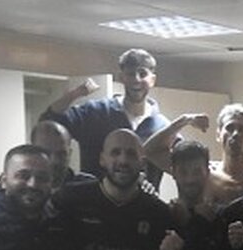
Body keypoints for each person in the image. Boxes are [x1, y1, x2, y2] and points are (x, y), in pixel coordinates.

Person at [41, 49, 170, 187]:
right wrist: (75, 94)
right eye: (130, 74)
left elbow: (179, 166)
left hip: (143, 200)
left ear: (152, 80)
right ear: (121, 77)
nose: (136, 79)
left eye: (142, 74)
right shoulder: (95, 112)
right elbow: (49, 122)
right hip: (93, 198)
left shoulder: (162, 127)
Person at [31, 120, 96, 189]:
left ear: (69, 154)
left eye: (61, 154)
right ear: (31, 152)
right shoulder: (24, 189)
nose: (55, 161)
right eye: (46, 153)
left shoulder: (88, 187)